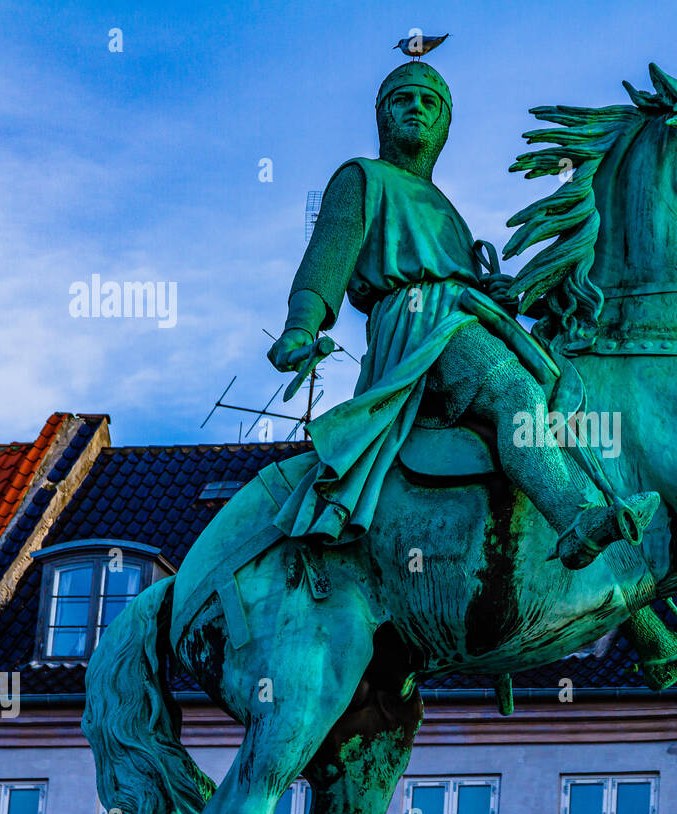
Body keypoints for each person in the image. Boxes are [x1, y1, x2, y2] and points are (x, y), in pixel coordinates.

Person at [267, 61, 657, 569]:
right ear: (382, 116)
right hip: (420, 326)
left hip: (466, 316)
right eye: (402, 100)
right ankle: (576, 523)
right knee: (515, 390)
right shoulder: (361, 176)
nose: (416, 109)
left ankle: (654, 633)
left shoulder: (447, 207)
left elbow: (456, 276)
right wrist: (300, 326)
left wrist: (489, 290)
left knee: (563, 417)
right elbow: (325, 260)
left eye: (430, 103)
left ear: (444, 126)